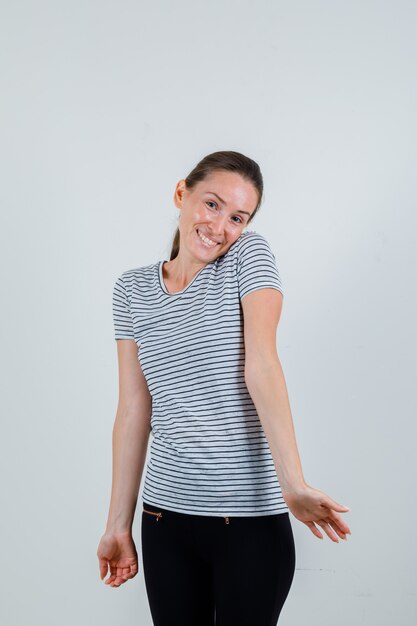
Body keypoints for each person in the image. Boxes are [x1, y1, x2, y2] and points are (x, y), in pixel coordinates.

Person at [97, 150, 352, 625]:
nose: (220, 226)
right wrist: (117, 524)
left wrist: (292, 483)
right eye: (211, 204)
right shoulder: (131, 290)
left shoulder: (247, 258)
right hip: (163, 520)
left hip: (250, 523)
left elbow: (263, 364)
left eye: (238, 216)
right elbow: (133, 410)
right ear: (181, 194)